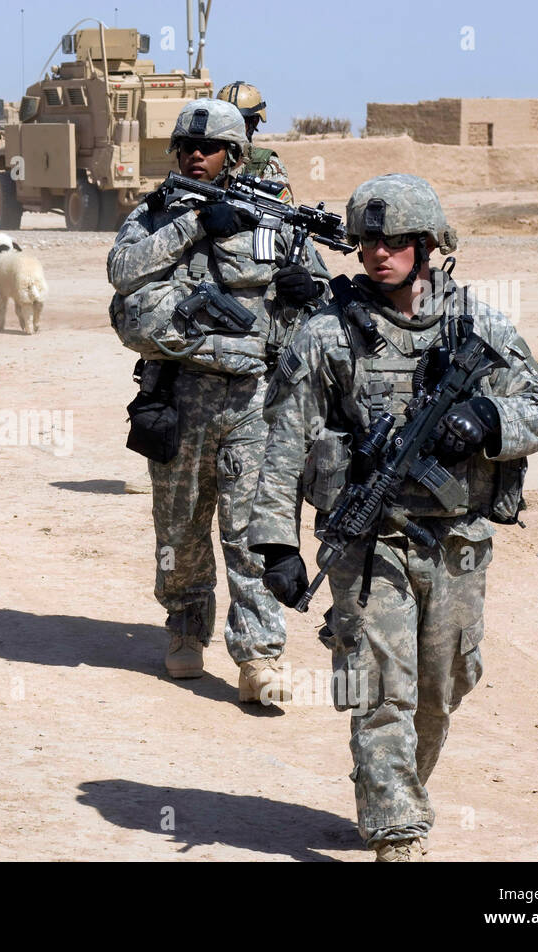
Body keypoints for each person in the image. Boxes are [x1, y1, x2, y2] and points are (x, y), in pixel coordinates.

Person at [247, 174, 538, 859]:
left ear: (426, 244)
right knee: (380, 685)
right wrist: (276, 543)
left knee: (445, 684)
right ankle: (396, 829)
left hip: (457, 541)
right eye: (367, 242)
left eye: (393, 241)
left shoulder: (476, 324)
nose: (377, 253)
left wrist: (488, 416)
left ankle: (393, 787)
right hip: (370, 545)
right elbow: (283, 442)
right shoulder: (327, 334)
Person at [107, 98, 330, 700]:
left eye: (208, 149)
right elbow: (123, 272)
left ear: (234, 155)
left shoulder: (273, 219)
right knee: (178, 531)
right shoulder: (157, 214)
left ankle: (260, 655)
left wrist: (308, 291)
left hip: (255, 401)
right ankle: (185, 625)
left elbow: (318, 302)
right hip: (179, 399)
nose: (195, 156)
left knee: (253, 529)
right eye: (186, 147)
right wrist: (196, 225)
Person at [216, 81, 292, 200]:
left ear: (254, 121)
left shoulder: (267, 165)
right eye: (224, 121)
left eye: (238, 121)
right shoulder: (205, 158)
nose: (229, 128)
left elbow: (284, 211)